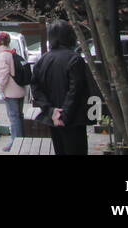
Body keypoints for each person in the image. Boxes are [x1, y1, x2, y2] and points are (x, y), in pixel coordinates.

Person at [30, 20, 91, 155]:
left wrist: (51, 111)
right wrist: (64, 115)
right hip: (73, 119)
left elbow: (35, 88)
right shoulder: (75, 59)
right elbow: (75, 90)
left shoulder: (42, 60)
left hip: (54, 119)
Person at [0, 31, 26, 148]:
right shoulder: (12, 53)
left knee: (13, 117)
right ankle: (22, 140)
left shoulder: (3, 56)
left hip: (11, 91)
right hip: (20, 89)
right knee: (19, 116)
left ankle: (16, 143)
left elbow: (3, 75)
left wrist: (0, 90)